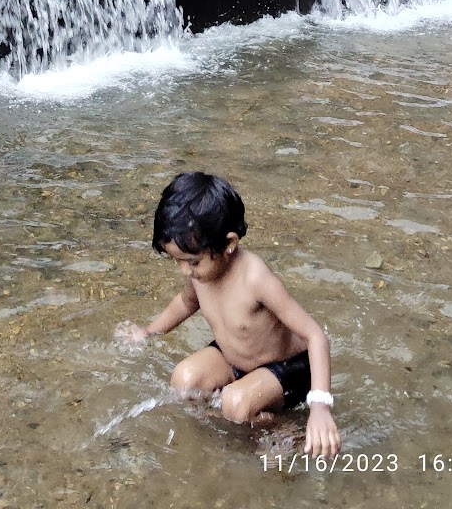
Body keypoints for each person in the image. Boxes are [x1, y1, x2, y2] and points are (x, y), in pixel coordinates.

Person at [116, 172, 341, 459]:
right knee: (184, 381)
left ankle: (283, 428)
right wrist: (147, 332)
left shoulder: (255, 278)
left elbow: (315, 335)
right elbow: (185, 302)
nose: (185, 271)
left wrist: (320, 407)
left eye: (192, 262)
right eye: (178, 261)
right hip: (235, 357)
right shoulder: (199, 272)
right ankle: (249, 413)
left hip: (287, 369)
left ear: (229, 243)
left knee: (235, 405)